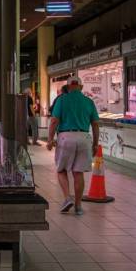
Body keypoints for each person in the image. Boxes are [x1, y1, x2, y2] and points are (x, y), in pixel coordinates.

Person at [47, 76, 100, 216]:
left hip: (66, 137)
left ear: (68, 87)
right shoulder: (89, 102)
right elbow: (95, 124)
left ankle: (67, 198)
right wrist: (95, 144)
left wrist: (49, 139)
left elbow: (54, 121)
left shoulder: (62, 100)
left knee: (61, 170)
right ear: (81, 87)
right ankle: (78, 206)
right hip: (84, 138)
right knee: (78, 173)